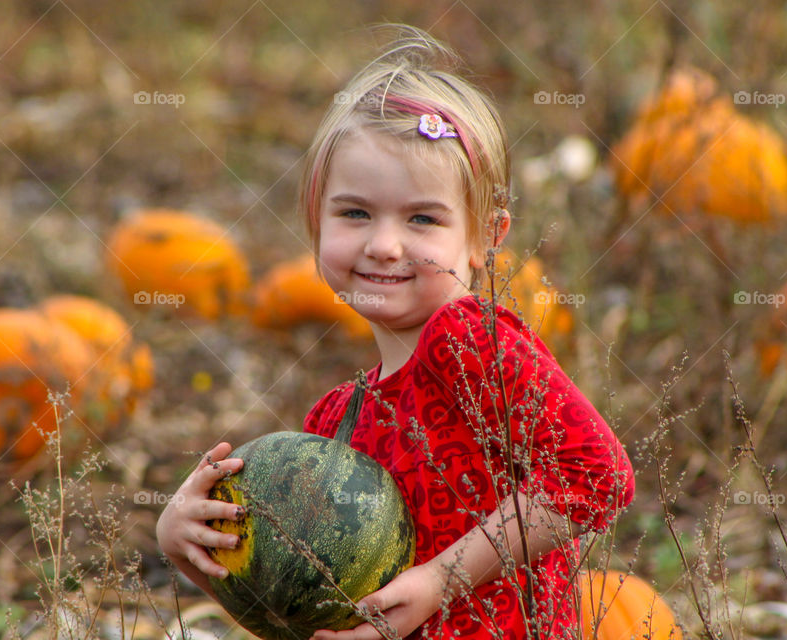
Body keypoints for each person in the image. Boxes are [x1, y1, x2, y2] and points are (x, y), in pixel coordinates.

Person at [157, 25, 635, 640]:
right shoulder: (335, 420)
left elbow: (596, 474)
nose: (384, 245)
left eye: (422, 218)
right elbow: (298, 612)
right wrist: (186, 546)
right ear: (314, 222)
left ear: (486, 237)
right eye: (355, 213)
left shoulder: (467, 339)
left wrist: (443, 578)